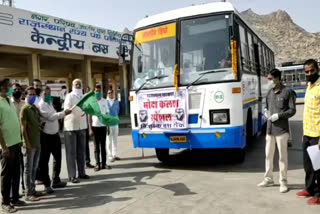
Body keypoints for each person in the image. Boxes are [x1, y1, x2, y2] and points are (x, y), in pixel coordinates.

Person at [257, 68, 296, 193]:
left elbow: (292, 110)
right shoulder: (269, 93)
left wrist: (279, 115)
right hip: (270, 130)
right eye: (268, 79)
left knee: (282, 158)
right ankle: (268, 179)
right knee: (268, 156)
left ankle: (283, 182)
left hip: (281, 131)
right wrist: (265, 112)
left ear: (278, 78)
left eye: (271, 79)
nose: (269, 81)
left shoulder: (287, 92)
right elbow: (266, 106)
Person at [38, 86, 72, 194]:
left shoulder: (49, 103)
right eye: (45, 94)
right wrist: (63, 113)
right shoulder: (41, 105)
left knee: (58, 157)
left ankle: (56, 179)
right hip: (46, 136)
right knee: (45, 160)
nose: (47, 96)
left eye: (48, 93)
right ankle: (47, 184)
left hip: (54, 135)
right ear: (41, 94)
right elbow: (51, 117)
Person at [296, 59, 320, 204]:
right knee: (308, 165)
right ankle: (310, 189)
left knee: (319, 168)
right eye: (306, 71)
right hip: (307, 133)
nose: (309, 73)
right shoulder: (309, 86)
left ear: (317, 70)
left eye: (312, 70)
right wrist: (304, 134)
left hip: (317, 135)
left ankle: (318, 195)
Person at [0, 79, 25, 213]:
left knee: (16, 173)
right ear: (2, 88)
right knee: (6, 175)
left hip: (16, 143)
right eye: (9, 86)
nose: (11, 88)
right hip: (7, 145)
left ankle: (15, 198)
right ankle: (5, 202)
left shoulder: (8, 100)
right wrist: (3, 147)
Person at [64, 79, 90, 183]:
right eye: (76, 84)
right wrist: (68, 109)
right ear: (72, 86)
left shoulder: (84, 97)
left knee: (81, 151)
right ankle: (72, 176)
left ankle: (82, 173)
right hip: (71, 126)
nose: (78, 86)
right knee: (71, 152)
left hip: (82, 126)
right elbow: (66, 107)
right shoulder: (69, 96)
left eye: (80, 84)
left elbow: (88, 107)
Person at [20, 87, 42, 202]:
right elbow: (23, 128)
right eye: (30, 94)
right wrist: (27, 143)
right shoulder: (25, 109)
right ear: (26, 96)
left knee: (34, 168)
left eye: (34, 94)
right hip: (29, 144)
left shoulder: (33, 108)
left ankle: (33, 190)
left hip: (37, 142)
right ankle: (28, 193)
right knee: (28, 169)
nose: (32, 96)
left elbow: (37, 123)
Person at [88, 85, 111, 171]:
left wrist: (108, 126)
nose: (98, 93)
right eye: (96, 91)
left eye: (99, 91)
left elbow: (107, 114)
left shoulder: (105, 101)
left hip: (103, 126)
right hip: (95, 126)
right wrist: (90, 129)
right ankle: (97, 164)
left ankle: (104, 163)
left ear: (101, 92)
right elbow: (89, 116)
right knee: (96, 146)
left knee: (103, 146)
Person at [11, 83, 26, 194]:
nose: (17, 90)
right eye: (15, 89)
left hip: (22, 138)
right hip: (10, 139)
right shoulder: (8, 103)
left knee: (21, 165)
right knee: (10, 169)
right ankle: (11, 194)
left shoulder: (24, 103)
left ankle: (22, 187)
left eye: (19, 89)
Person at [106, 90, 120, 162]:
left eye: (111, 93)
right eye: (109, 93)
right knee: (109, 140)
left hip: (115, 123)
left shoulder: (116, 102)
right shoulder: (105, 102)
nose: (110, 94)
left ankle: (114, 154)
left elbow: (117, 111)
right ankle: (110, 155)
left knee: (115, 139)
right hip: (108, 124)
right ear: (107, 94)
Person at [84, 86, 94, 169]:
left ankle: (87, 162)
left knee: (86, 146)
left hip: (88, 126)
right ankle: (83, 163)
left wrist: (90, 128)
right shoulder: (82, 102)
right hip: (81, 127)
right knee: (81, 146)